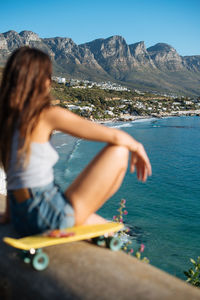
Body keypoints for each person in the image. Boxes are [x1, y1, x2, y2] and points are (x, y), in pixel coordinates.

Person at [0, 46, 152, 236]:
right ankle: (75, 223)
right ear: (43, 81)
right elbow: (114, 136)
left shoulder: (7, 120)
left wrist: (9, 215)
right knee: (119, 150)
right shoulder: (46, 115)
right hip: (45, 214)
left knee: (105, 227)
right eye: (49, 76)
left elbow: (13, 173)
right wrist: (137, 147)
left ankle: (87, 223)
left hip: (21, 214)